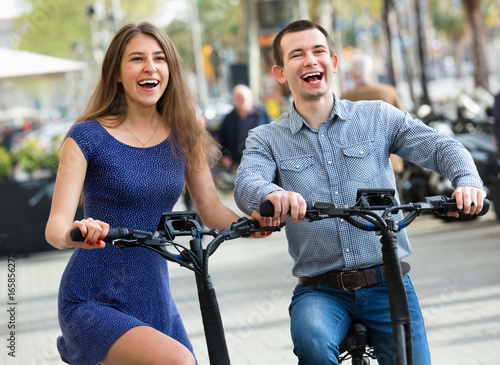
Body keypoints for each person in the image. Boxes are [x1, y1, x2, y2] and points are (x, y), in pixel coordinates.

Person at [233, 19, 486, 365]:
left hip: (390, 282)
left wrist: (467, 181)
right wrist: (272, 194)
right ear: (279, 72)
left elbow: (441, 147)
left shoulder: (377, 117)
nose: (310, 60)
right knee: (312, 342)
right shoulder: (266, 138)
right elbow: (247, 184)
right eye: (297, 54)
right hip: (319, 290)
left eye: (318, 51)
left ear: (333, 63)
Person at [45, 22, 274, 365]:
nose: (150, 67)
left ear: (170, 69)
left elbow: (210, 208)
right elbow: (55, 228)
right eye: (137, 59)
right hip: (92, 296)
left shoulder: (184, 135)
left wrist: (251, 226)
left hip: (154, 296)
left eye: (159, 58)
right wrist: (79, 231)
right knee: (179, 361)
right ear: (117, 73)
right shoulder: (86, 137)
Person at [341, 52, 405, 177]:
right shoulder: (388, 92)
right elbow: (404, 125)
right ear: (371, 71)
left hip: (359, 166)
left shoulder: (344, 98)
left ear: (353, 74)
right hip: (390, 162)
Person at [218, 84, 271, 171]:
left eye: (243, 97)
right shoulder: (229, 118)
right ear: (234, 100)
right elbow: (222, 139)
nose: (242, 100)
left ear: (250, 98)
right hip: (236, 165)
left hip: (259, 163)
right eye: (238, 98)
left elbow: (270, 136)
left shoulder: (261, 114)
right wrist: (225, 156)